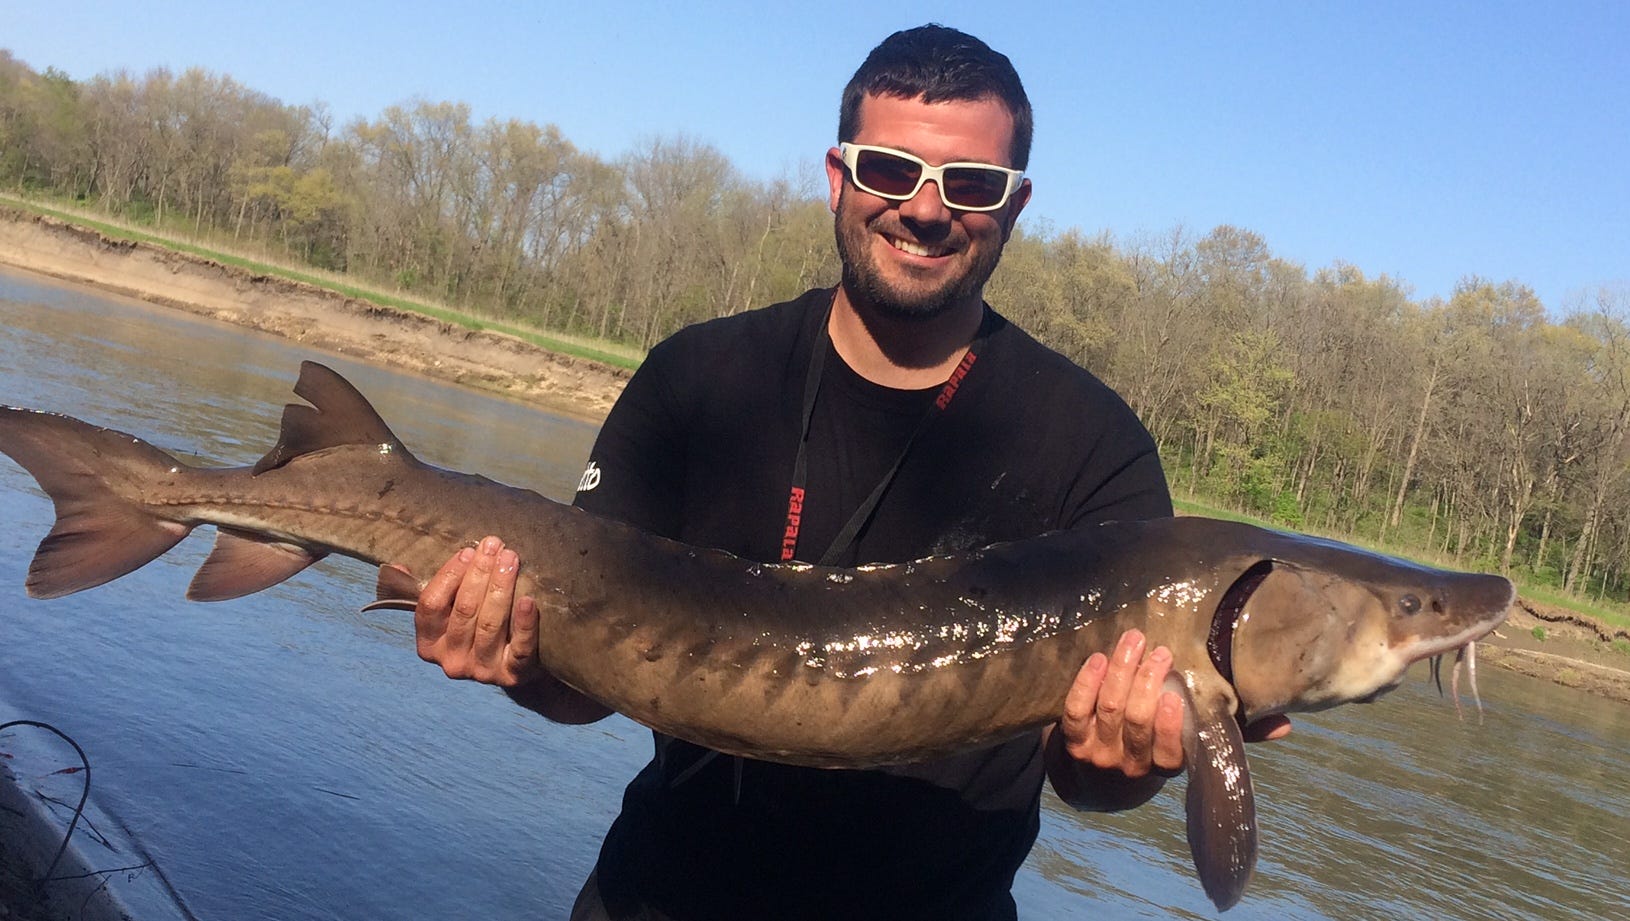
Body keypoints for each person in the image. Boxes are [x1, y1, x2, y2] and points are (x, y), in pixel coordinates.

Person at [407, 24, 1286, 920]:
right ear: (839, 177)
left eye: (971, 184)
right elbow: (584, 687)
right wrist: (514, 654)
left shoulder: (1098, 448)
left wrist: (1121, 762)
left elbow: (1091, 782)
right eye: (891, 170)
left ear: (1014, 206)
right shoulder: (698, 378)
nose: (926, 209)